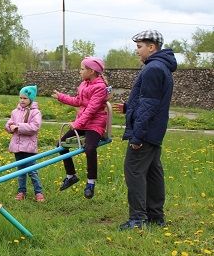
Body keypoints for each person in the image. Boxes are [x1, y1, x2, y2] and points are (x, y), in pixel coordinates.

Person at [114, 30, 177, 230]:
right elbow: (149, 101)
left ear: (152, 47)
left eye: (140, 47)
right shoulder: (161, 67)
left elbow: (149, 106)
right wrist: (128, 107)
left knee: (133, 170)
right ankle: (156, 217)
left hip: (146, 131)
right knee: (152, 172)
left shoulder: (153, 69)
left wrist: (137, 136)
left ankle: (137, 220)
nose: (137, 51)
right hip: (154, 130)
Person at [52, 57, 109, 199]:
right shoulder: (84, 84)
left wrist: (77, 124)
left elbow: (91, 110)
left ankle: (90, 183)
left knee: (89, 148)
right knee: (61, 144)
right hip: (83, 123)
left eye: (82, 69)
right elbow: (78, 101)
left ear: (91, 71)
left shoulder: (100, 87)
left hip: (95, 124)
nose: (80, 71)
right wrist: (61, 97)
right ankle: (71, 176)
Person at [5, 85, 45, 202]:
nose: (22, 100)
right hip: (18, 147)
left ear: (31, 99)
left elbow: (34, 127)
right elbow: (9, 124)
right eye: (20, 98)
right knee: (20, 171)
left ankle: (38, 192)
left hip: (29, 147)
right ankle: (21, 191)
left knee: (32, 171)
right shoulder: (15, 112)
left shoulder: (35, 112)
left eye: (25, 98)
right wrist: (10, 127)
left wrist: (18, 127)